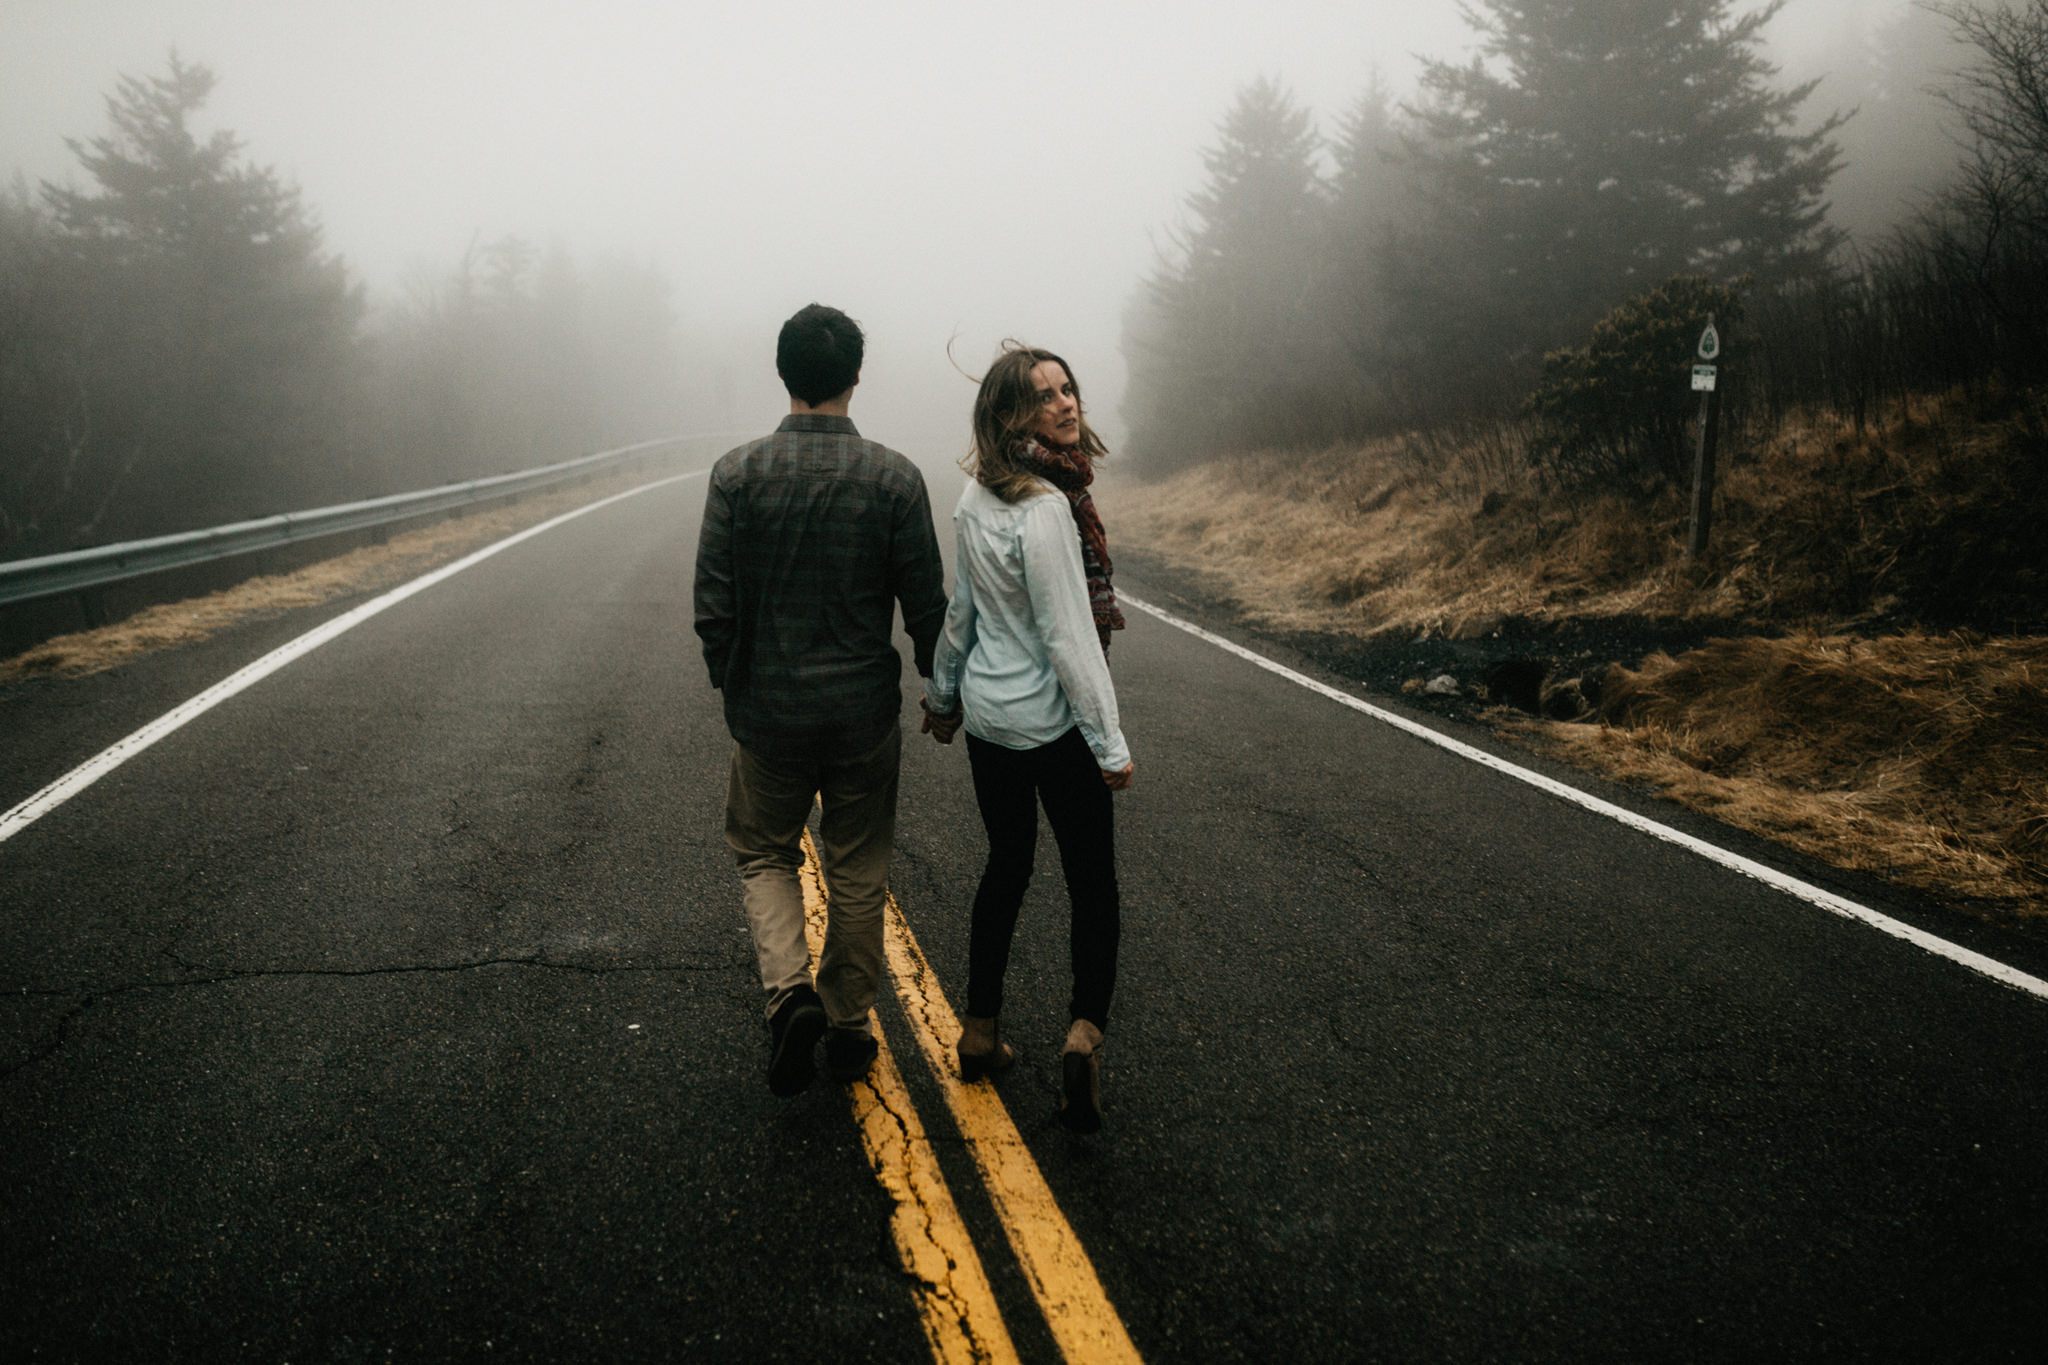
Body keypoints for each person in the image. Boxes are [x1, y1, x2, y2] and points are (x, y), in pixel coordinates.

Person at [694, 303, 947, 1098]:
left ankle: (788, 994)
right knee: (857, 863)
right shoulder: (897, 477)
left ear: (783, 373)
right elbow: (927, 604)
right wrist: (940, 692)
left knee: (766, 850)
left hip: (768, 713)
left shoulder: (736, 473)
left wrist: (733, 682)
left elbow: (714, 607)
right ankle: (845, 1024)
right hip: (862, 715)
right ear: (856, 376)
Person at [921, 341, 1133, 1135]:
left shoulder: (977, 495)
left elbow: (961, 614)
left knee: (1007, 865)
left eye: (1068, 387)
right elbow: (1070, 637)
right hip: (1051, 725)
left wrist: (944, 697)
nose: (1066, 403)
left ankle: (980, 1030)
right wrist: (1109, 745)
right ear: (1009, 415)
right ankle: (1083, 1035)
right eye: (1042, 396)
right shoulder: (1047, 508)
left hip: (989, 721)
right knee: (1091, 881)